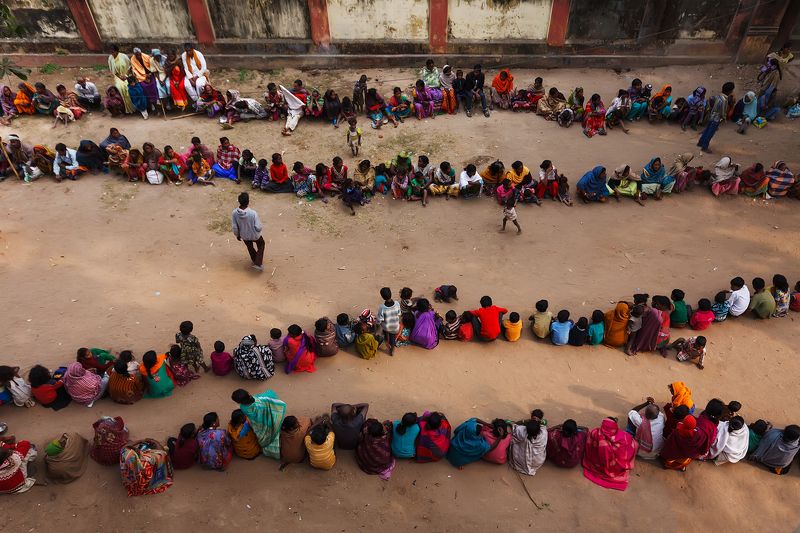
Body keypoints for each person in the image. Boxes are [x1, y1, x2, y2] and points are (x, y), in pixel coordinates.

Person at [582, 417, 637, 490]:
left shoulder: (595, 433)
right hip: (613, 468)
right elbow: (631, 447)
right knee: (634, 444)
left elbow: (589, 444)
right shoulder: (625, 437)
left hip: (596, 464)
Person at [232, 388, 286, 459]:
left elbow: (249, 421)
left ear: (239, 402)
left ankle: (271, 452)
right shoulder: (261, 399)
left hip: (260, 425)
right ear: (248, 393)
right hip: (272, 419)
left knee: (265, 438)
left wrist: (241, 434)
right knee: (276, 430)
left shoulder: (244, 408)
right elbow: (271, 394)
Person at [231, 192, 265, 271]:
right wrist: (258, 231)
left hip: (244, 235)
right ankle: (258, 263)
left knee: (250, 247)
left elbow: (235, 227)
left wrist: (237, 235)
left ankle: (255, 261)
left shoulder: (234, 213)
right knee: (261, 244)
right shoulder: (253, 213)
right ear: (248, 202)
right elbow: (258, 227)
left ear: (239, 201)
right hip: (255, 235)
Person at [698, 82, 735, 153]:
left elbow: (710, 99)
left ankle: (700, 143)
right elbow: (723, 111)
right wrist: (724, 118)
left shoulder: (718, 95)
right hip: (716, 118)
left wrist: (711, 108)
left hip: (711, 115)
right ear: (729, 91)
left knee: (707, 130)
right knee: (710, 133)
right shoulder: (725, 100)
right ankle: (704, 147)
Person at [107, 45, 133, 113]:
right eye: (111, 52)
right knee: (120, 87)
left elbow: (130, 66)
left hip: (127, 74)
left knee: (128, 86)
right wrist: (120, 77)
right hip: (118, 76)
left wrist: (126, 75)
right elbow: (113, 70)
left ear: (116, 51)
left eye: (113, 52)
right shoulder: (110, 58)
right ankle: (126, 108)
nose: (112, 53)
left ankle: (133, 107)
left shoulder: (123, 56)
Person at [377, 287, 401, 356]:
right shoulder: (397, 303)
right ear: (391, 294)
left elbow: (379, 320)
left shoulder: (382, 307)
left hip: (386, 327)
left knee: (383, 329)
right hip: (395, 327)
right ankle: (392, 349)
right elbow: (399, 314)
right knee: (392, 338)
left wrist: (377, 324)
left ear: (382, 297)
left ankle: (386, 340)